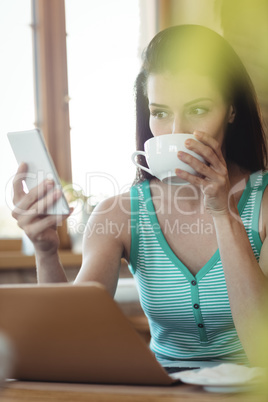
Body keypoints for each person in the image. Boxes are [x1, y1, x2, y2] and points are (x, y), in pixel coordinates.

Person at [12, 24, 268, 368]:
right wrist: (46, 251)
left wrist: (222, 211)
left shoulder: (263, 202)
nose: (176, 132)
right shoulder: (118, 215)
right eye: (160, 112)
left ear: (232, 111)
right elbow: (70, 339)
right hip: (165, 391)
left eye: (198, 109)